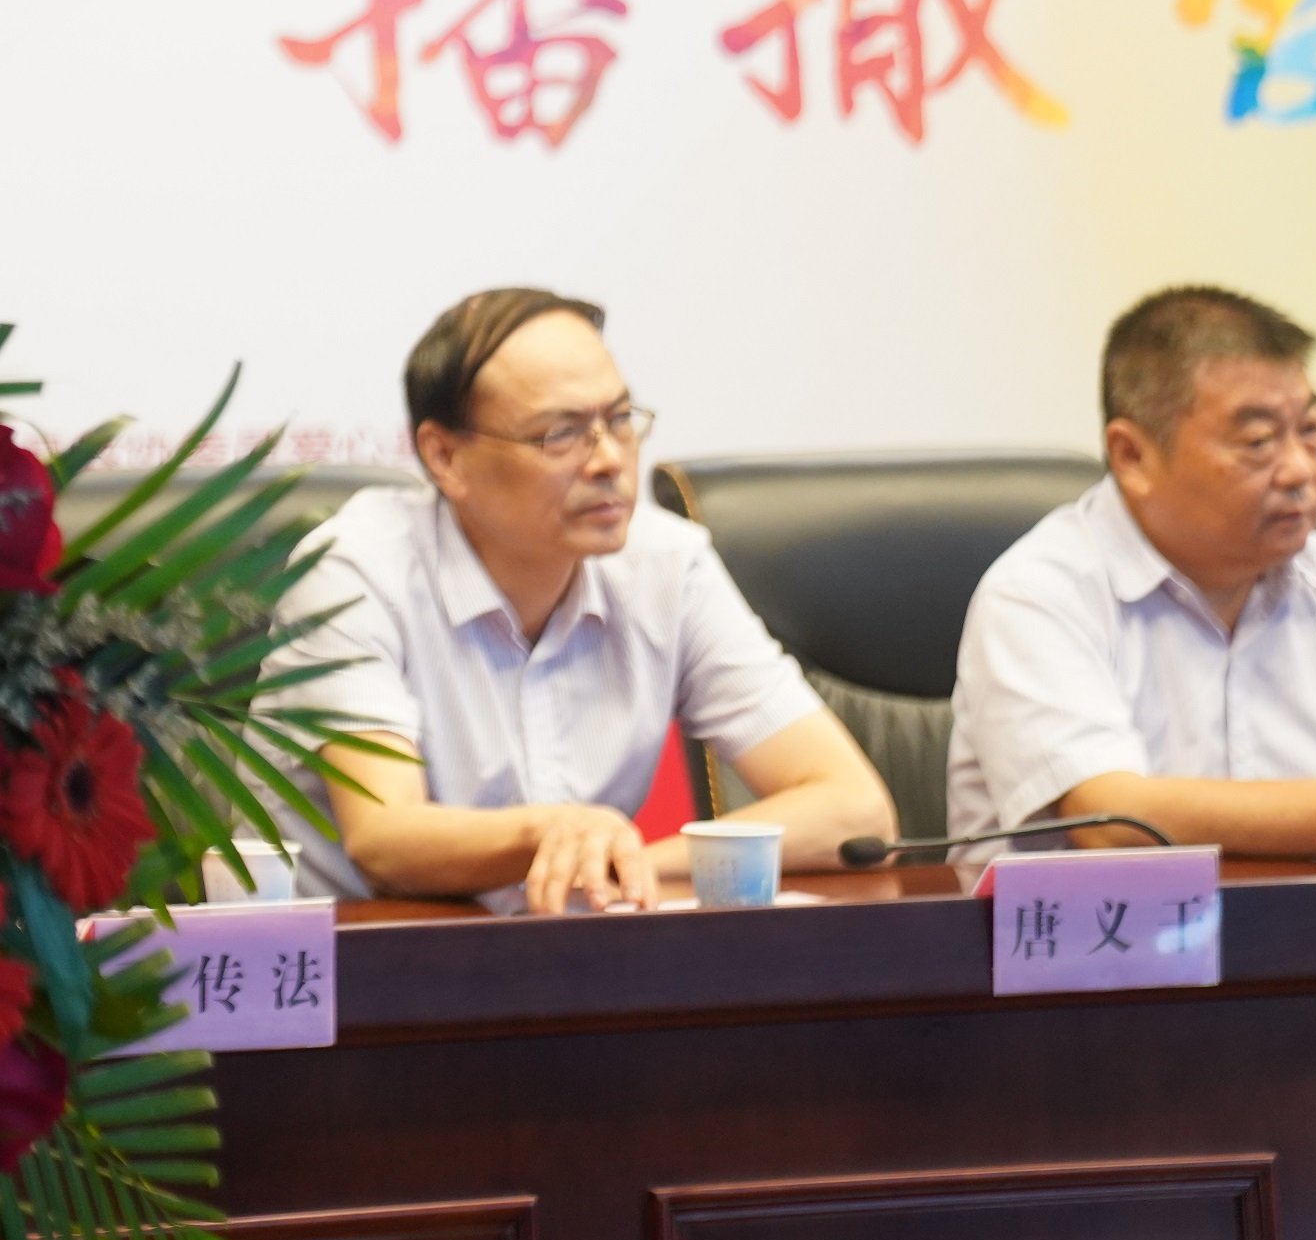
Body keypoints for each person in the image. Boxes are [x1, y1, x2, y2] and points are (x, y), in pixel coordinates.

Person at [277, 287, 892, 913]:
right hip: (353, 958)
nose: (608, 460)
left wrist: (628, 865)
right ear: (445, 456)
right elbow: (385, 837)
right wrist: (554, 831)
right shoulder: (355, 573)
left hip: (566, 954)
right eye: (561, 433)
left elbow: (855, 811)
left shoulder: (666, 565)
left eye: (620, 420)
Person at [946, 285, 1316, 854]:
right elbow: (1111, 820)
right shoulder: (1039, 593)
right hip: (1106, 917)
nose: (1299, 470)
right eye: (1258, 440)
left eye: (1310, 430)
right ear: (1132, 456)